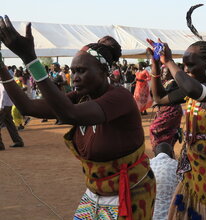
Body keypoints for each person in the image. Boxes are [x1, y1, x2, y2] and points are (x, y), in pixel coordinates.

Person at [0, 16, 155, 219]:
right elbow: (27, 106)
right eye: (73, 71)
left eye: (81, 71)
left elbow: (69, 114)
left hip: (128, 194)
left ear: (103, 71)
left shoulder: (119, 98)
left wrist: (30, 59)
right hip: (94, 193)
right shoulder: (80, 97)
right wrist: (2, 68)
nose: (75, 78)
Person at [147, 38, 206, 219]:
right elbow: (160, 99)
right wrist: (155, 69)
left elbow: (194, 91)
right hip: (195, 173)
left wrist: (169, 61)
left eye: (190, 65)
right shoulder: (191, 88)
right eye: (183, 66)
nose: (186, 70)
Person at [149, 65, 183, 150]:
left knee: (154, 128)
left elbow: (164, 97)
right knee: (165, 132)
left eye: (166, 72)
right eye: (163, 72)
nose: (163, 74)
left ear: (171, 74)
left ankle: (161, 148)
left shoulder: (173, 83)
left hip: (171, 110)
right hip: (164, 110)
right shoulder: (164, 82)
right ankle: (165, 149)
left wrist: (157, 102)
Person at [150, 142, 179, 220]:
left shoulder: (148, 165)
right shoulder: (178, 166)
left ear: (155, 155)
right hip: (171, 216)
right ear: (172, 153)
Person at [0, 83, 24, 150]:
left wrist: (1, 106)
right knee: (10, 124)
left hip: (3, 107)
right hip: (7, 106)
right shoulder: (5, 83)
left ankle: (0, 145)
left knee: (9, 123)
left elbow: (2, 94)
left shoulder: (1, 84)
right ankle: (18, 141)